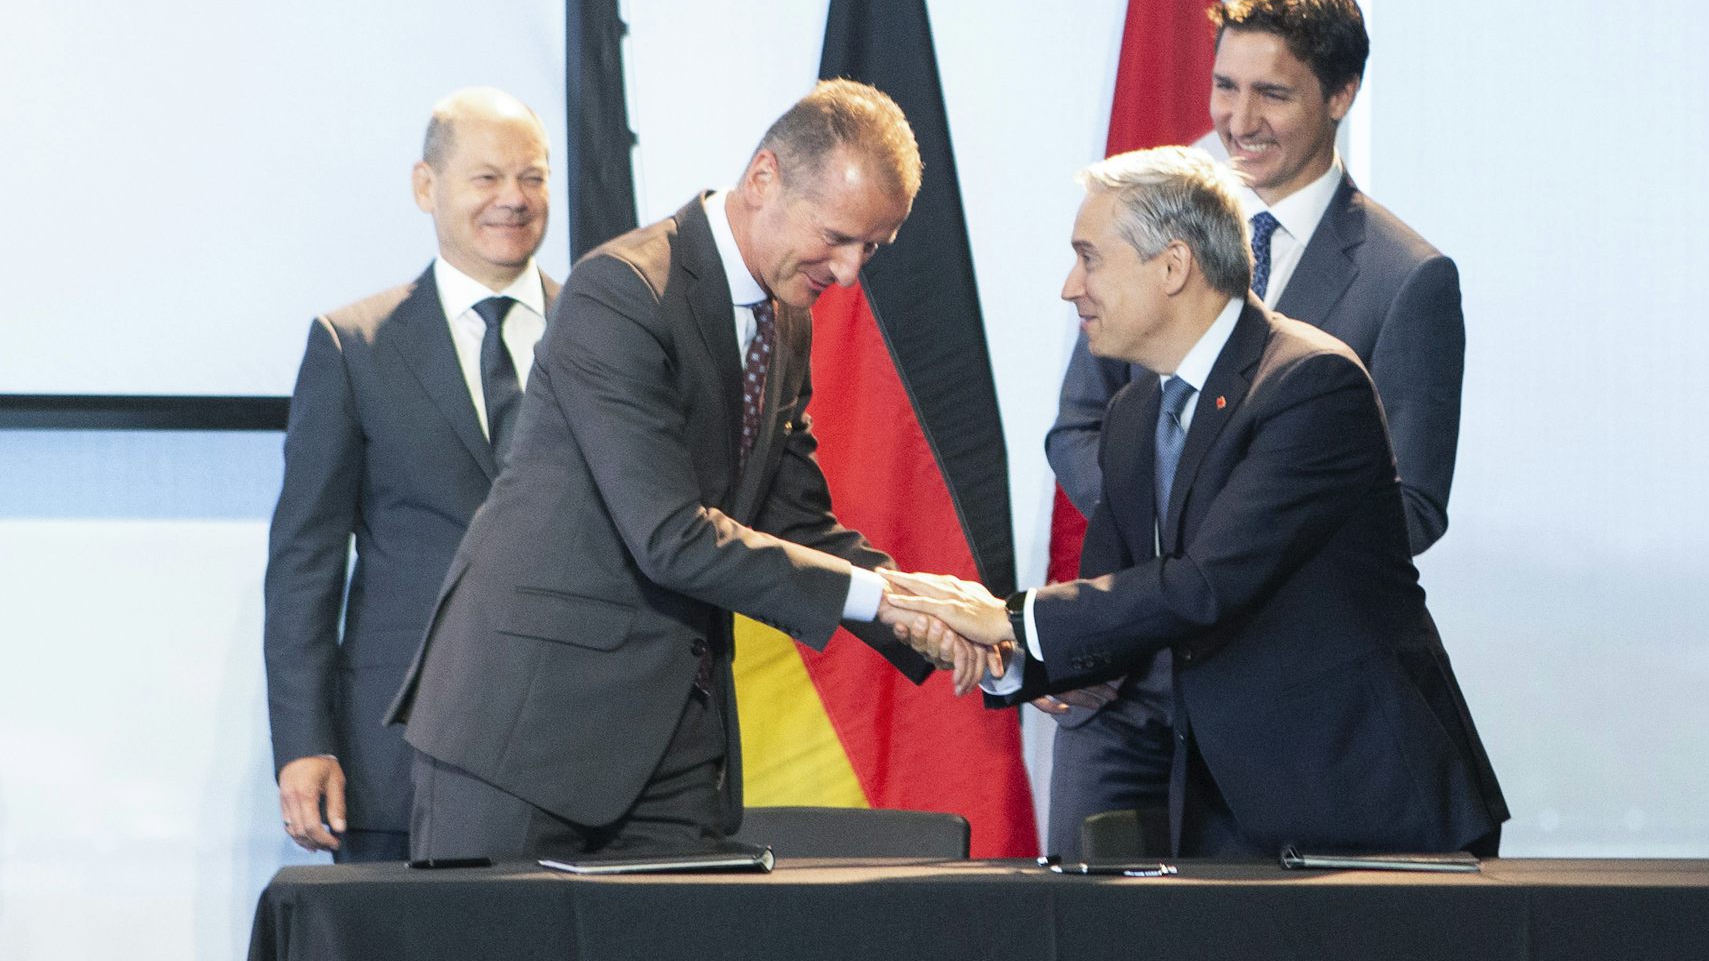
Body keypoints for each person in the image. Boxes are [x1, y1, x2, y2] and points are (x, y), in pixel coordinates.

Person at [389, 79, 990, 861]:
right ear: (766, 177)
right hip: (522, 732)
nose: (848, 273)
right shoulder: (625, 291)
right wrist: (893, 598)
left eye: (871, 249)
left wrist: (940, 619)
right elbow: (669, 535)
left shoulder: (784, 320)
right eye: (837, 237)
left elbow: (794, 522)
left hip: (675, 742)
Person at [884, 146, 1505, 857]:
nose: (1069, 287)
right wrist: (1005, 651)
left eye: (1090, 259)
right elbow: (1119, 605)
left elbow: (1205, 584)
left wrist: (1007, 616)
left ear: (1173, 267)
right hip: (1222, 815)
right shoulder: (1132, 413)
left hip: (1360, 806)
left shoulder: (1311, 384)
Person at [1042, 0, 1468, 855]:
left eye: (1272, 93)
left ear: (1342, 94)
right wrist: (1149, 576)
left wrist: (1220, 558)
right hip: (1122, 682)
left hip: (1277, 697)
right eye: (1225, 87)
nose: (1239, 120)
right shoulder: (1147, 230)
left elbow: (1411, 504)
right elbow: (1085, 428)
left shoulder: (1408, 279)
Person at [265, 86, 558, 861]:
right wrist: (305, 741)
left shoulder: (605, 337)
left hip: (573, 758)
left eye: (533, 177)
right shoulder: (352, 345)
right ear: (426, 187)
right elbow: (305, 561)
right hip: (397, 758)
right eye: (487, 177)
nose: (514, 199)